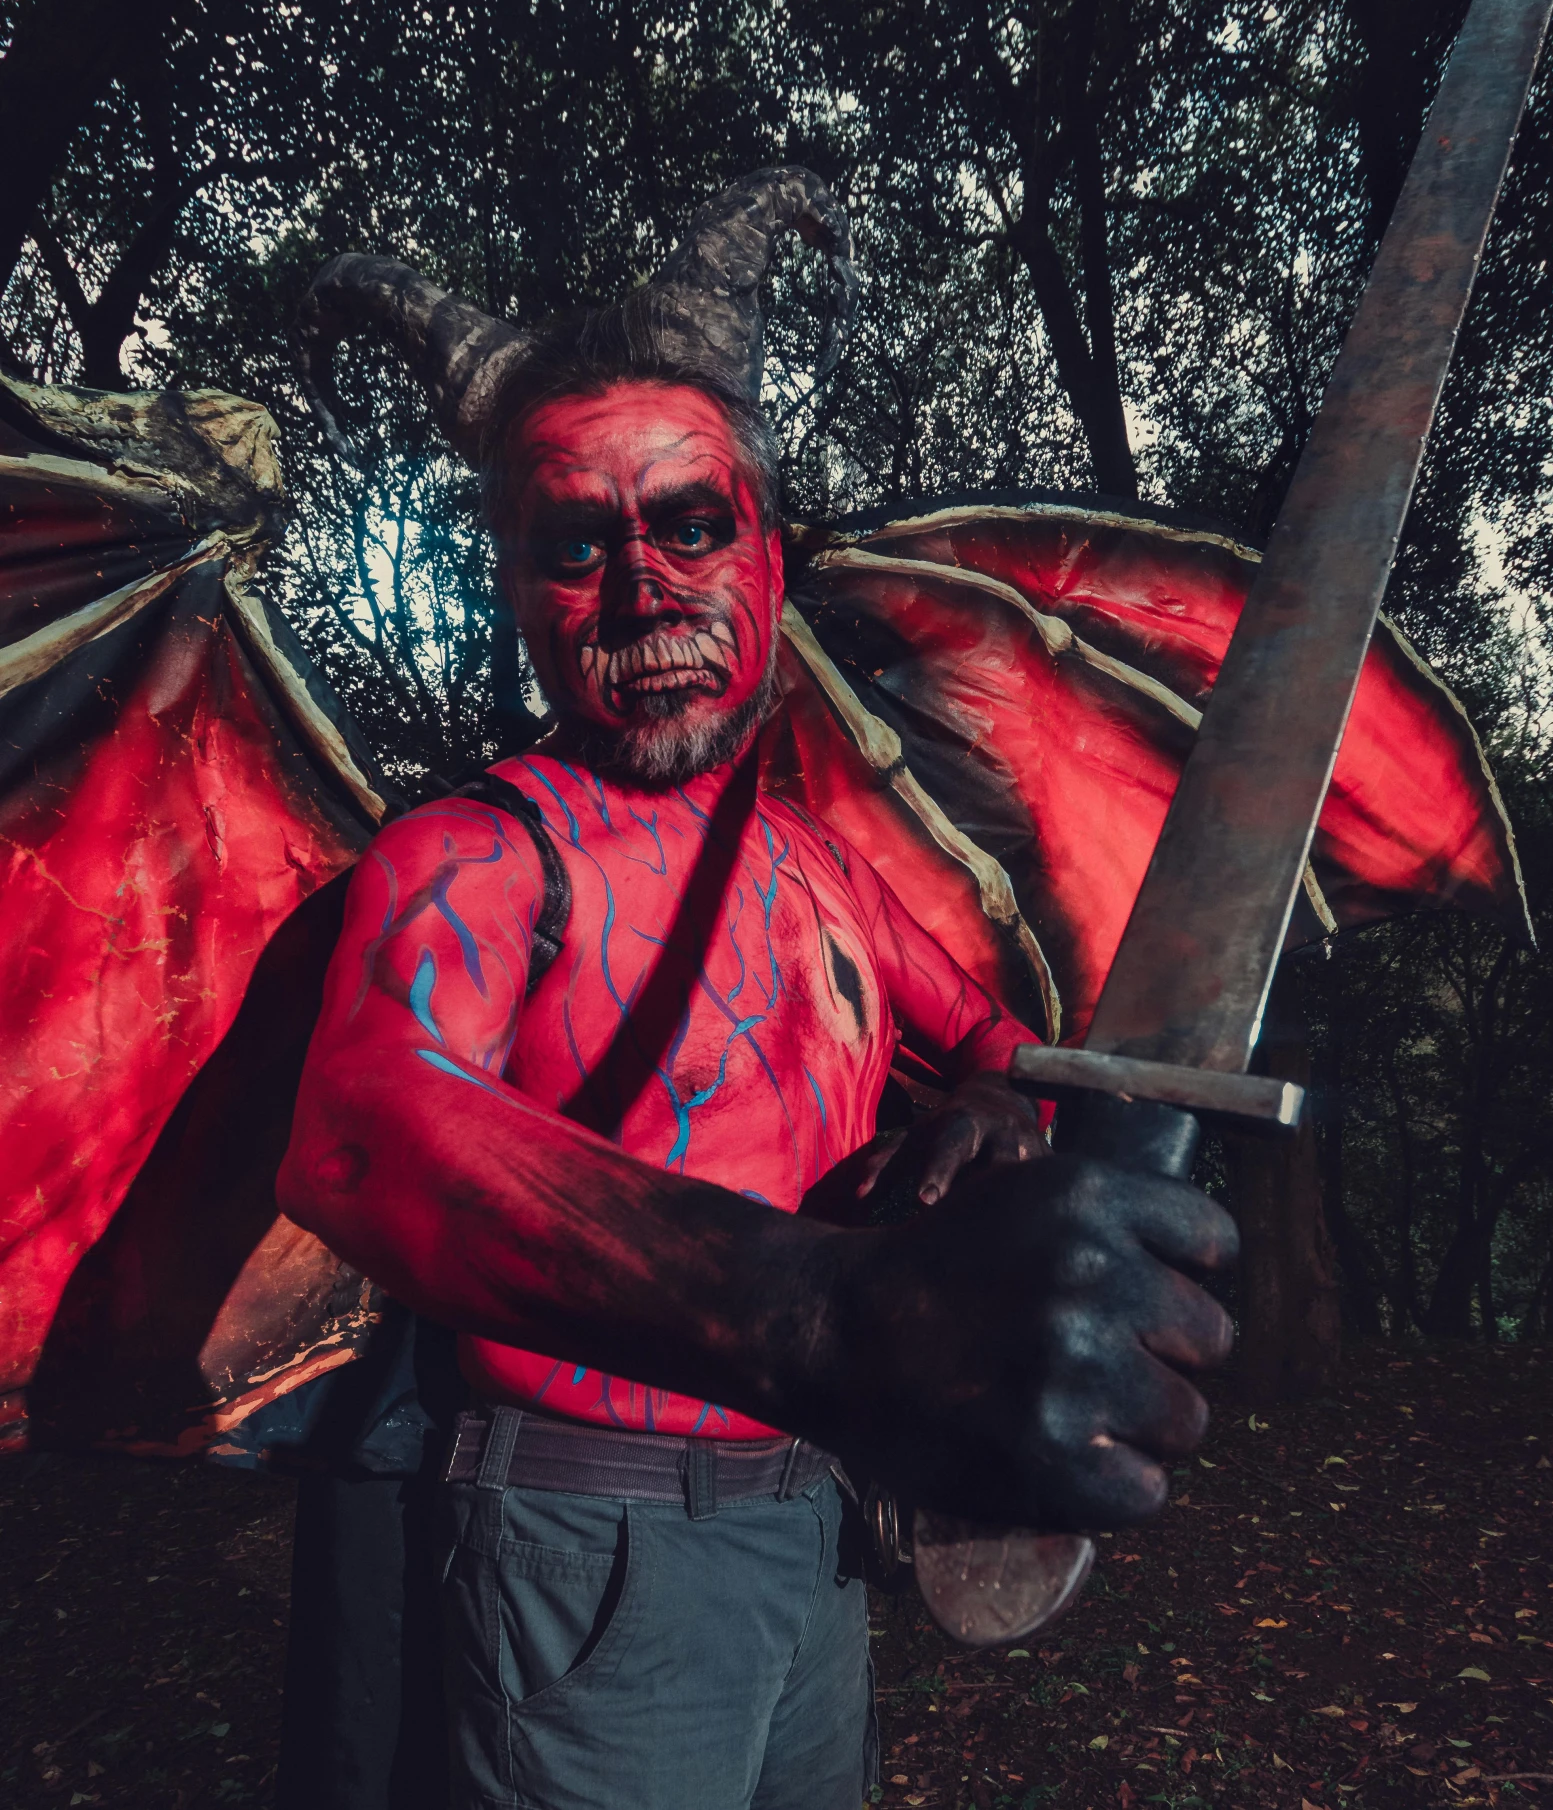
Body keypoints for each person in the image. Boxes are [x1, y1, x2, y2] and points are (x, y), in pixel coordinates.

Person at [278, 297, 1237, 1810]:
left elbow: (1008, 1051)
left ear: (769, 563)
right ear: (520, 593)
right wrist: (828, 1313)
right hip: (587, 1556)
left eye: (689, 526)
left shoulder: (822, 868)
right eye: (576, 545)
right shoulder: (475, 853)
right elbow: (362, 1124)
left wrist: (986, 1113)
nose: (642, 592)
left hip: (816, 1528)